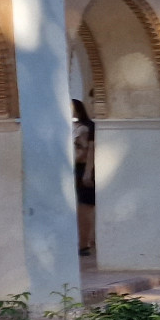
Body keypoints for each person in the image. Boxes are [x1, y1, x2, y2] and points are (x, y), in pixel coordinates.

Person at [72, 99, 96, 257]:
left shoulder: (85, 128)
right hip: (71, 168)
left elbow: (89, 150)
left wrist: (88, 171)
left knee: (84, 208)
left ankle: (84, 243)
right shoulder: (70, 126)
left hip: (81, 169)